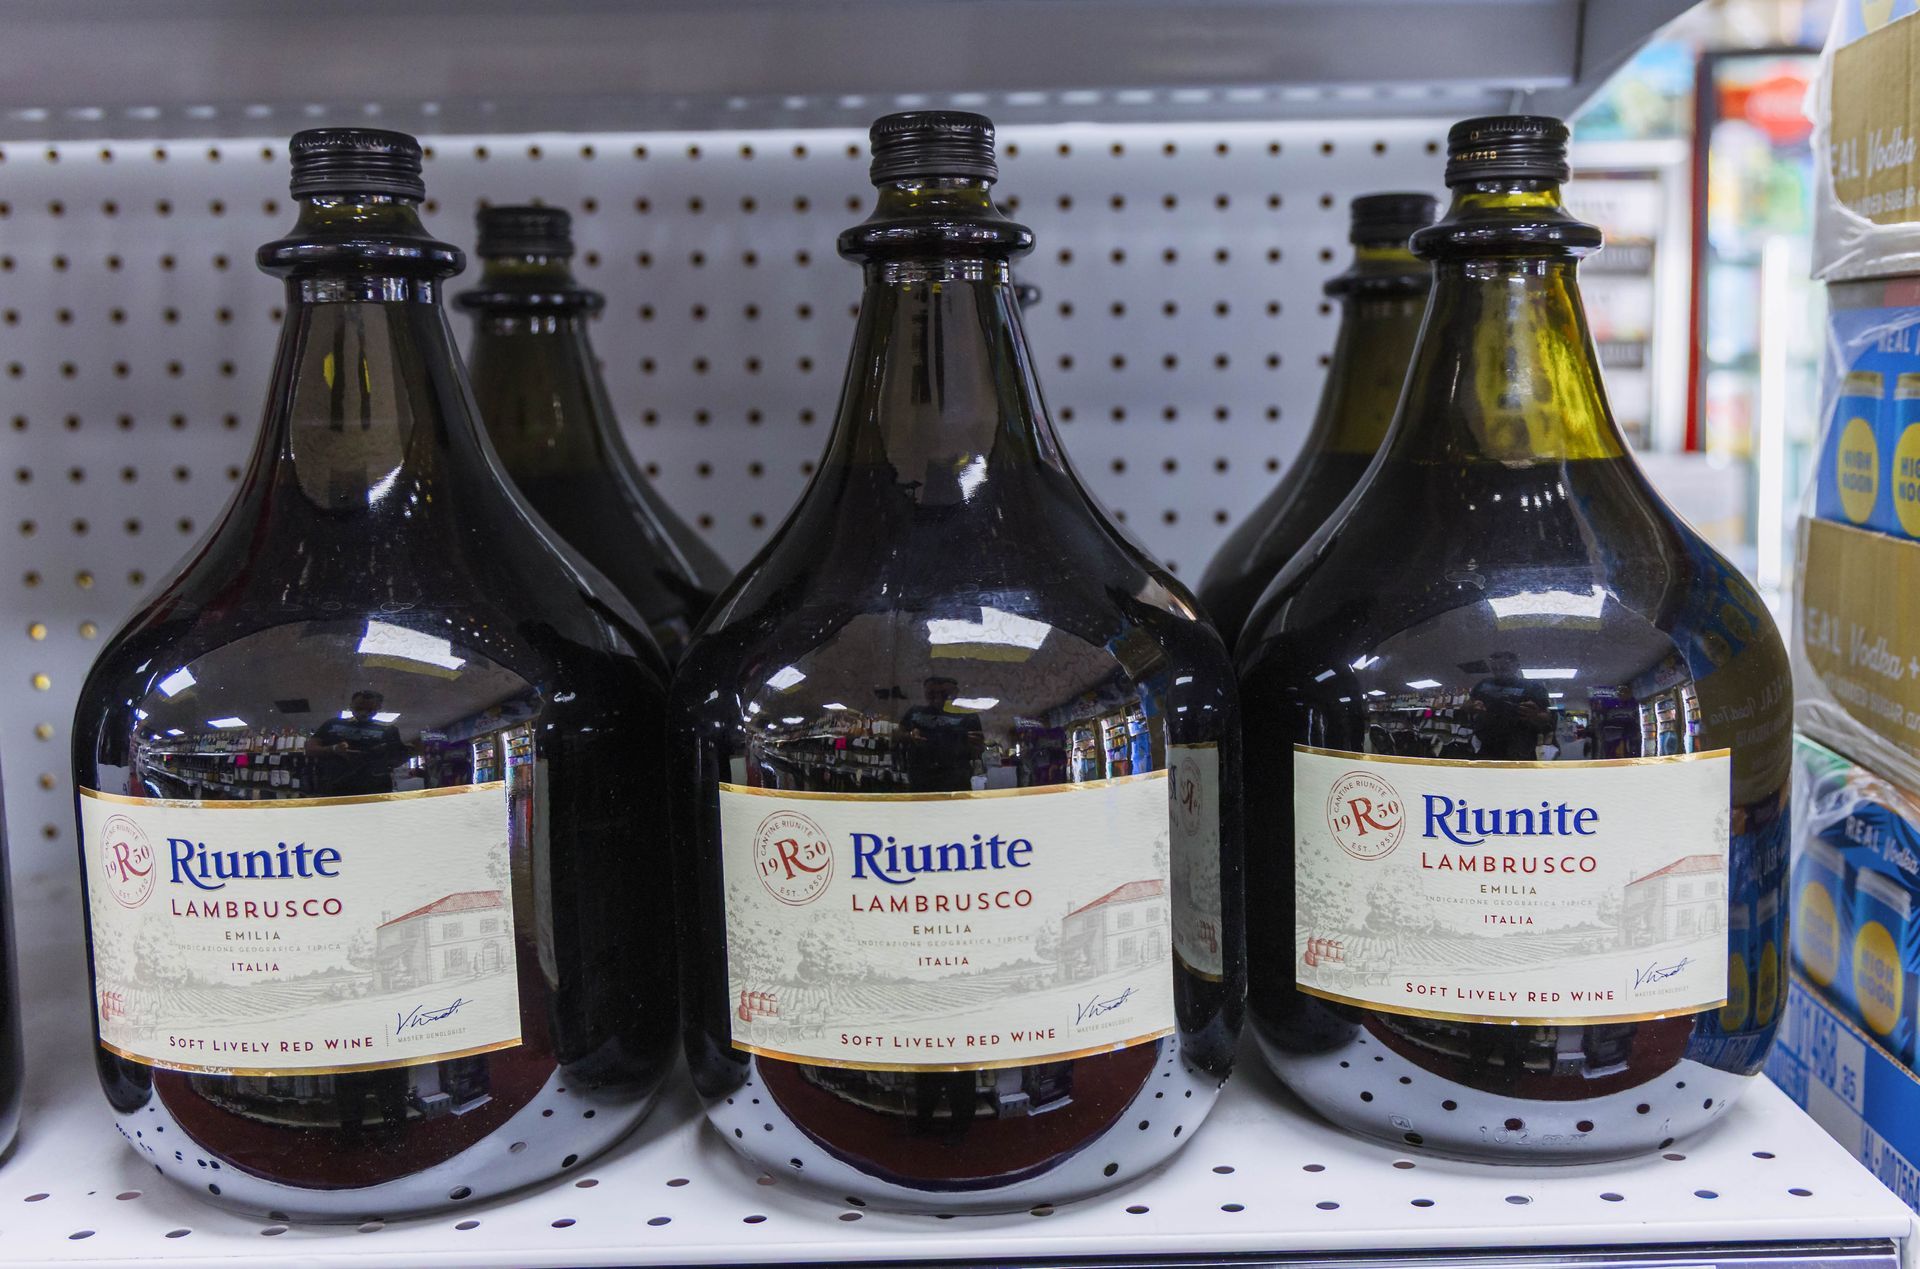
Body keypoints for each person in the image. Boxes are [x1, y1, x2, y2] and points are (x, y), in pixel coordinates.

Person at [306, 690, 408, 796]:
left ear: (378, 708)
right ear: (350, 706)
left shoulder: (389, 730)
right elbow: (310, 749)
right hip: (334, 787)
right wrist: (334, 749)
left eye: (370, 710)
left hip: (374, 789)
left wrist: (378, 754)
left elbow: (398, 760)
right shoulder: (332, 723)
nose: (363, 713)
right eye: (359, 708)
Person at [897, 677, 985, 791]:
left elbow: (977, 751)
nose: (938, 699)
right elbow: (896, 736)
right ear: (925, 693)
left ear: (955, 693)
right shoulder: (915, 712)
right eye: (932, 694)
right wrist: (909, 735)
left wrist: (975, 744)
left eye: (944, 694)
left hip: (956, 781)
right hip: (921, 780)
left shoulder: (969, 715)